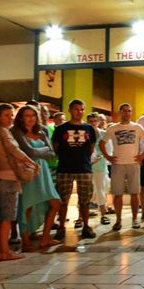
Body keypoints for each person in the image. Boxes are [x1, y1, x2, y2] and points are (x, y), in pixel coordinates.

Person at [0, 103, 37, 260]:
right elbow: (14, 151)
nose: (10, 118)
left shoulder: (2, 133)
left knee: (0, 217)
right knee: (7, 217)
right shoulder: (3, 133)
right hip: (7, 178)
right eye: (6, 115)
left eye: (11, 115)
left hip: (2, 177)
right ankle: (4, 251)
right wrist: (31, 163)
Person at [12, 105, 62, 250]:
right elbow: (28, 151)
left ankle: (45, 238)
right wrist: (43, 150)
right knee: (28, 205)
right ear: (21, 118)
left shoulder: (42, 131)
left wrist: (39, 151)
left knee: (55, 203)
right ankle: (25, 241)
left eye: (33, 115)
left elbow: (52, 153)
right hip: (29, 170)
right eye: (27, 115)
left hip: (43, 171)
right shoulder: (17, 131)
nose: (31, 118)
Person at [51, 99, 97, 240]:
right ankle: (61, 227)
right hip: (65, 168)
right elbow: (56, 147)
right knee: (63, 199)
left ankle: (85, 226)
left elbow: (91, 148)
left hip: (84, 167)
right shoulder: (61, 129)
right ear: (70, 110)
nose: (79, 112)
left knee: (85, 200)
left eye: (82, 109)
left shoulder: (89, 129)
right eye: (76, 109)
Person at [101, 103, 144, 230]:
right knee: (118, 194)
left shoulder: (137, 127)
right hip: (118, 164)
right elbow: (102, 143)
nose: (127, 113)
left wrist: (142, 156)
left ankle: (134, 219)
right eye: (124, 111)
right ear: (120, 112)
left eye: (129, 111)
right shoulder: (113, 128)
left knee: (134, 193)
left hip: (133, 163)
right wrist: (108, 157)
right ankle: (118, 220)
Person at [87, 112, 111, 224]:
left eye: (94, 121)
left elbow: (108, 150)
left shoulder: (103, 134)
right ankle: (80, 218)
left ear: (98, 122)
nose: (92, 123)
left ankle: (103, 215)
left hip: (100, 166)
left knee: (101, 190)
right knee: (85, 192)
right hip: (86, 167)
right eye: (90, 121)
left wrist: (99, 158)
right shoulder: (84, 134)